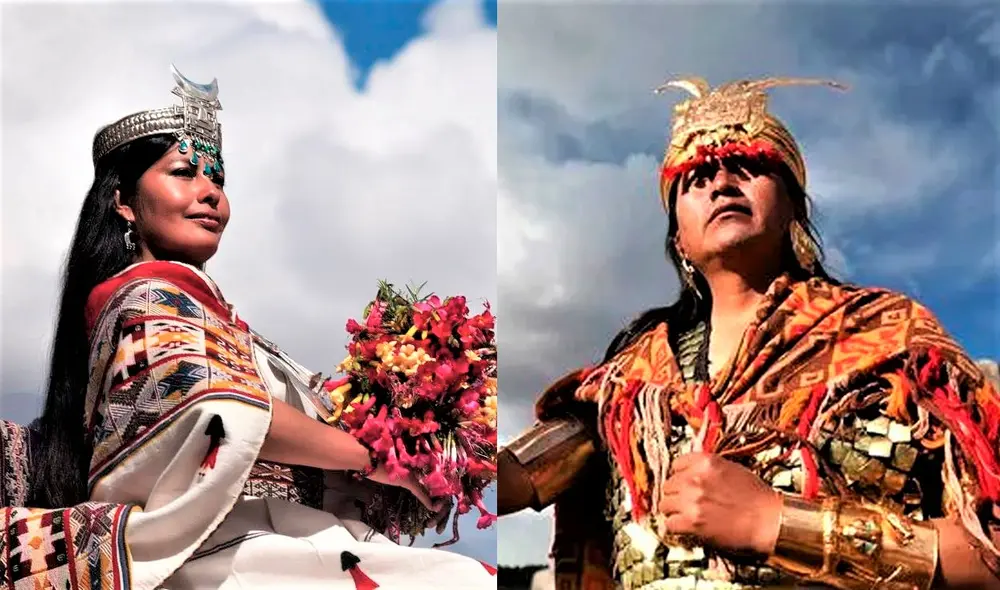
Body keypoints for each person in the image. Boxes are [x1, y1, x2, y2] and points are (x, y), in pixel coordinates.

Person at [1, 66, 496, 590]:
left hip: (278, 541)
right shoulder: (144, 297)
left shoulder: (210, 315)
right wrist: (376, 458)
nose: (210, 193)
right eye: (184, 173)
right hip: (223, 549)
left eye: (217, 179)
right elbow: (213, 404)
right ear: (123, 202)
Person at [498, 76, 1000, 589]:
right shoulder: (624, 385)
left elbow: (991, 553)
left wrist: (777, 523)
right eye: (694, 179)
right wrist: (430, 406)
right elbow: (503, 479)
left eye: (749, 165)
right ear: (680, 238)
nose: (720, 183)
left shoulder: (895, 340)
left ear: (793, 209)